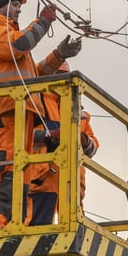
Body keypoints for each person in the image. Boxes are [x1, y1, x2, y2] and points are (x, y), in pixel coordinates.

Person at [0, 0, 82, 230]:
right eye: (16, 5)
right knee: (7, 168)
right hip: (3, 109)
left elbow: (35, 75)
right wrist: (43, 21)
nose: (20, 10)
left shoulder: (5, 33)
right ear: (1, 4)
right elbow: (20, 45)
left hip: (18, 111)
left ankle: (14, 226)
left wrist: (59, 55)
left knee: (20, 172)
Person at [26, 61, 99, 225]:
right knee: (36, 231)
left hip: (71, 183)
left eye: (64, 76)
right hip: (43, 178)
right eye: (57, 75)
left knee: (74, 231)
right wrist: (48, 135)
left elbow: (93, 148)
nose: (61, 81)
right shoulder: (35, 101)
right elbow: (20, 134)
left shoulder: (79, 113)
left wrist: (84, 140)